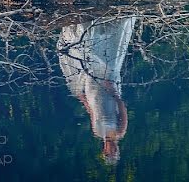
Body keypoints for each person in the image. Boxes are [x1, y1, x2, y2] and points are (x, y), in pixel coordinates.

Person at [58, 15, 135, 165]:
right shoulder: (120, 132)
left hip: (92, 92)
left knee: (90, 59)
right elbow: (122, 109)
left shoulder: (97, 133)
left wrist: (83, 98)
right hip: (109, 90)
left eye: (109, 153)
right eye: (113, 152)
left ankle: (89, 24)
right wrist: (114, 91)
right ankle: (101, 22)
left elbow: (92, 112)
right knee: (103, 60)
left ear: (105, 150)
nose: (111, 150)